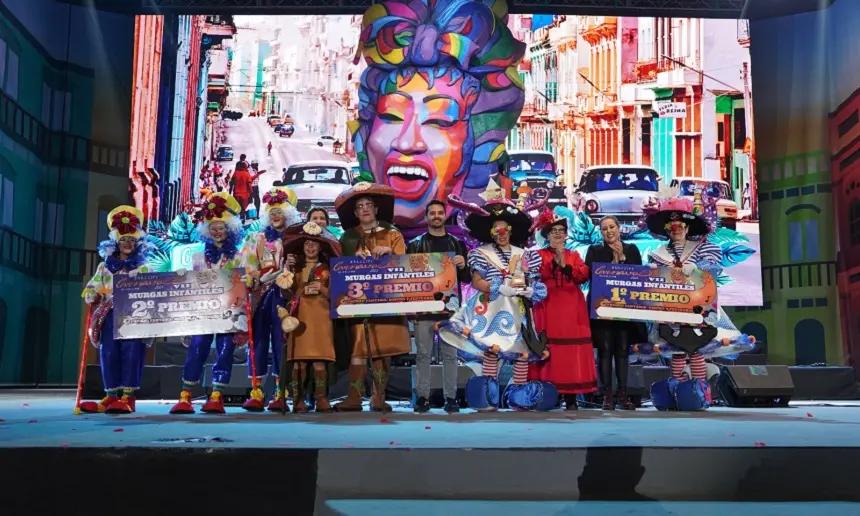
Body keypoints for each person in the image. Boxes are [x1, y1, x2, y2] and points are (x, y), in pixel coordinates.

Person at [436, 182, 551, 411]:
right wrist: (497, 287)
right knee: (491, 351)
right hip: (491, 309)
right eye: (496, 230)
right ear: (490, 232)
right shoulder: (480, 254)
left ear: (511, 230)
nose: (501, 234)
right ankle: (488, 396)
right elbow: (477, 282)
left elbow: (536, 283)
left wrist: (530, 290)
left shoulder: (525, 255)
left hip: (518, 311)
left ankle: (519, 396)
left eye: (504, 229)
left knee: (521, 353)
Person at [169, 192, 253, 415]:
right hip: (204, 314)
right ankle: (185, 396)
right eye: (213, 227)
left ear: (231, 230)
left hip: (230, 313)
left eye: (221, 227)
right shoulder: (198, 258)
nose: (217, 231)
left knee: (225, 351)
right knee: (197, 350)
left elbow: (248, 282)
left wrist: (248, 281)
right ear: (207, 231)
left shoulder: (239, 257)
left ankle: (217, 396)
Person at [333, 182, 411, 412]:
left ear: (376, 210)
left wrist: (390, 253)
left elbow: (405, 265)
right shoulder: (346, 238)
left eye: (369, 205)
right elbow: (337, 269)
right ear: (356, 213)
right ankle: (354, 397)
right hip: (357, 301)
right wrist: (352, 261)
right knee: (357, 350)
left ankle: (378, 396)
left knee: (383, 348)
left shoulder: (393, 234)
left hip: (387, 299)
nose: (365, 209)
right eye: (360, 206)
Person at [644, 197, 741, 382]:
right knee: (677, 350)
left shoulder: (704, 249)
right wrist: (650, 273)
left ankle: (700, 390)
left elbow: (712, 268)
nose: (676, 230)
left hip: (700, 308)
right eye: (671, 227)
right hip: (671, 309)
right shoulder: (658, 253)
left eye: (680, 226)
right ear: (666, 230)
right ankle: (678, 390)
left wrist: (697, 267)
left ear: (687, 228)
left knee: (697, 349)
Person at [79, 206, 153, 414]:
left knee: (132, 353)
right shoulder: (105, 267)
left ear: (138, 244)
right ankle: (111, 396)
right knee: (108, 352)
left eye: (131, 240)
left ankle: (128, 397)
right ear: (115, 243)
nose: (127, 244)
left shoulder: (145, 267)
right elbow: (92, 288)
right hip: (110, 314)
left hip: (134, 315)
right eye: (123, 240)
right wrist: (92, 295)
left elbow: (154, 291)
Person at [527, 209, 597, 410]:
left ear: (566, 234)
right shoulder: (538, 255)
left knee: (570, 351)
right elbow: (536, 275)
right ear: (547, 235)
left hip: (572, 307)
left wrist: (563, 261)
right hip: (548, 306)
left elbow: (582, 276)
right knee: (549, 349)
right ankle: (547, 394)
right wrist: (554, 260)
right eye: (554, 230)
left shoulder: (574, 255)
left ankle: (571, 397)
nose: (558, 234)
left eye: (561, 230)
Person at [406, 200, 470, 414]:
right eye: (432, 213)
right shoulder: (415, 244)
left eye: (439, 213)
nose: (436, 216)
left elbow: (466, 278)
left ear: (445, 216)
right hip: (423, 307)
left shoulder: (456, 243)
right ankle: (422, 397)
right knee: (423, 354)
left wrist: (463, 265)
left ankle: (450, 398)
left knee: (450, 354)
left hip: (450, 309)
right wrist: (410, 308)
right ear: (426, 217)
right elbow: (408, 279)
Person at [241, 186, 300, 411]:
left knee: (280, 342)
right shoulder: (257, 238)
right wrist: (255, 277)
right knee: (257, 342)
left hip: (285, 295)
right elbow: (247, 265)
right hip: (260, 295)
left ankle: (280, 391)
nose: (276, 216)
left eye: (280, 212)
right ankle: (256, 391)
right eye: (272, 212)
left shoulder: (296, 238)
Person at [279, 221, 342, 412]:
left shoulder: (331, 268)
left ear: (321, 246)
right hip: (300, 318)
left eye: (314, 244)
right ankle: (298, 399)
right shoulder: (295, 268)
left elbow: (339, 296)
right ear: (302, 247)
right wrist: (287, 271)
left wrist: (322, 288)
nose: (311, 247)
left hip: (322, 318)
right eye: (307, 244)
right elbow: (285, 294)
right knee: (299, 360)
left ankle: (321, 398)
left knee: (320, 360)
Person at [584, 216, 646, 410]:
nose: (608, 231)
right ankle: (606, 395)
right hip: (602, 308)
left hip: (624, 309)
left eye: (612, 227)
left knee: (621, 352)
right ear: (600, 232)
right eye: (604, 229)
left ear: (619, 228)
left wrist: (622, 259)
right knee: (604, 351)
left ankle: (623, 394)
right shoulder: (594, 251)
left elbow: (639, 276)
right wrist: (612, 261)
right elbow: (591, 276)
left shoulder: (632, 250)